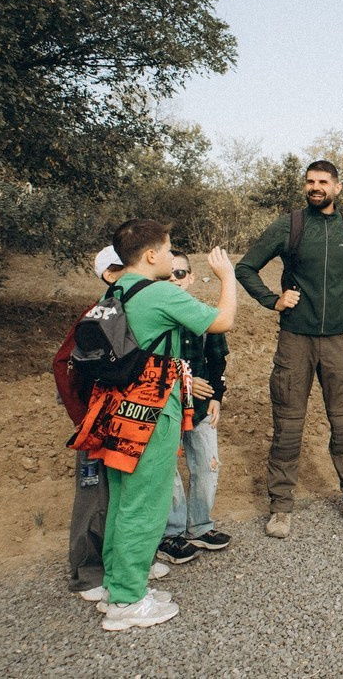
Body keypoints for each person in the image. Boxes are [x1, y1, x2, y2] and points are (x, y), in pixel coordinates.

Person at [92, 219, 237, 631]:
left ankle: (118, 584)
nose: (174, 255)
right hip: (150, 409)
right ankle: (128, 602)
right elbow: (222, 321)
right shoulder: (156, 292)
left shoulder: (116, 289)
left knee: (122, 499)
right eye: (170, 248)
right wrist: (227, 277)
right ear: (152, 255)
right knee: (145, 503)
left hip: (115, 407)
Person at [235, 159, 343, 537]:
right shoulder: (290, 224)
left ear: (337, 187)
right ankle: (281, 507)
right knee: (288, 427)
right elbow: (245, 268)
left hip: (339, 340)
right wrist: (273, 300)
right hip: (295, 340)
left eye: (322, 182)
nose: (315, 187)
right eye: (310, 182)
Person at [67, 247, 169, 603]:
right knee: (96, 502)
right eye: (119, 268)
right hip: (100, 420)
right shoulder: (103, 313)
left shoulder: (127, 307)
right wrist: (84, 416)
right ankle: (88, 576)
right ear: (110, 275)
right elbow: (66, 364)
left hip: (111, 416)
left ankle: (119, 573)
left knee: (120, 500)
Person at [156, 253, 233, 565]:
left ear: (189, 277)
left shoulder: (202, 316)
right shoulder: (157, 317)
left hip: (201, 407)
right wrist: (184, 384)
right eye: (168, 274)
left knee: (207, 464)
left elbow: (218, 359)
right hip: (167, 406)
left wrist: (217, 396)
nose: (174, 278)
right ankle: (170, 534)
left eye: (180, 273)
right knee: (167, 471)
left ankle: (199, 526)